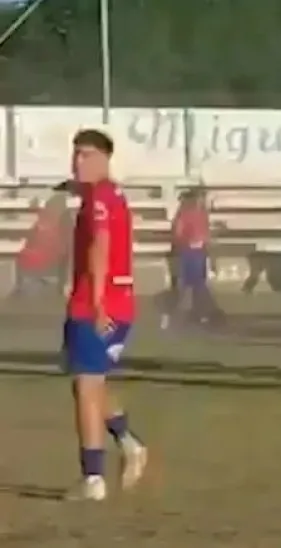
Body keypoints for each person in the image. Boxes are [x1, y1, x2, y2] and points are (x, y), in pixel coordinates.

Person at [61, 129, 147, 501]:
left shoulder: (99, 196)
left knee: (86, 385)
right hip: (117, 301)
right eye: (75, 154)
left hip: (97, 304)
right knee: (91, 382)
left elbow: (100, 245)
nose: (78, 161)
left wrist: (97, 303)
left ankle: (93, 478)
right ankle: (128, 442)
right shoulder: (109, 194)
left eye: (86, 154)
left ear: (104, 158)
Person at [159, 188, 225, 329]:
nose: (203, 201)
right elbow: (180, 233)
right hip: (190, 251)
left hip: (195, 251)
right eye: (201, 198)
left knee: (194, 284)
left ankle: (197, 313)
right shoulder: (189, 213)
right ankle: (194, 314)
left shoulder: (196, 213)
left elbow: (199, 235)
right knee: (192, 284)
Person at [10, 191, 74, 299]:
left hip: (47, 255)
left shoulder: (58, 220)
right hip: (47, 253)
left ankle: (19, 286)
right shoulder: (50, 217)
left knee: (19, 254)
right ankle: (20, 285)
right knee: (20, 252)